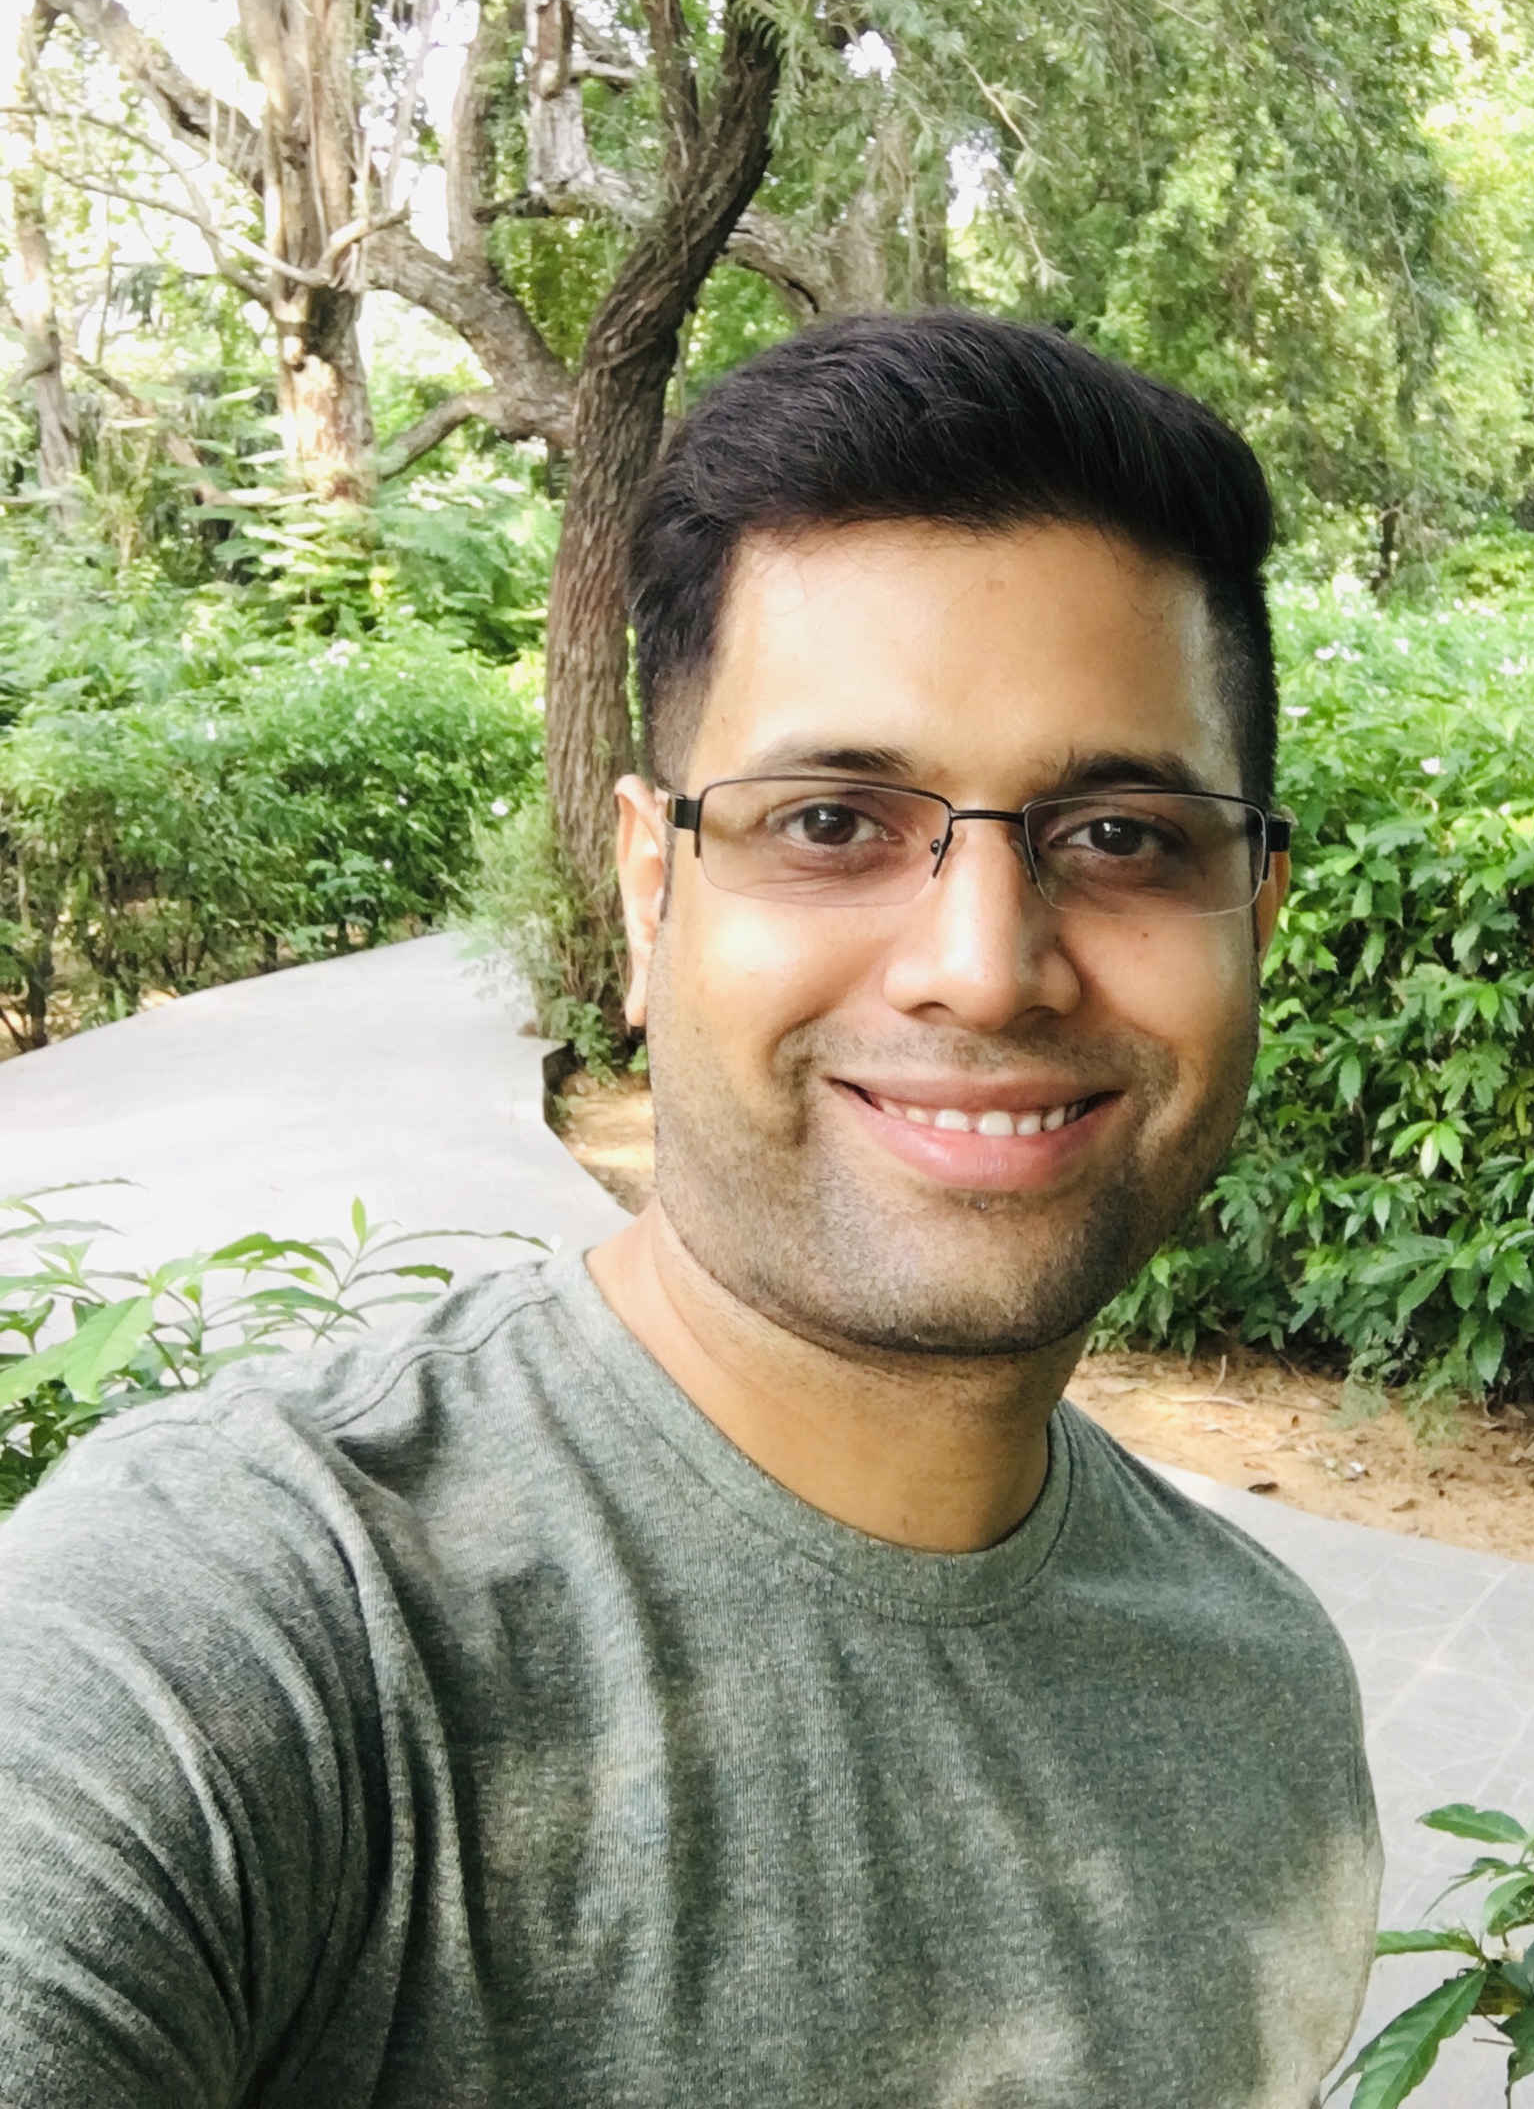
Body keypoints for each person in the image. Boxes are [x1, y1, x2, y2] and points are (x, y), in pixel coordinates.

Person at [0, 313, 1381, 2108]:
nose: (985, 968)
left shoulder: (1265, 1700)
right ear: (651, 897)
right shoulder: (243, 1634)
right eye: (832, 823)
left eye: (1121, 836)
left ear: (1255, 916)